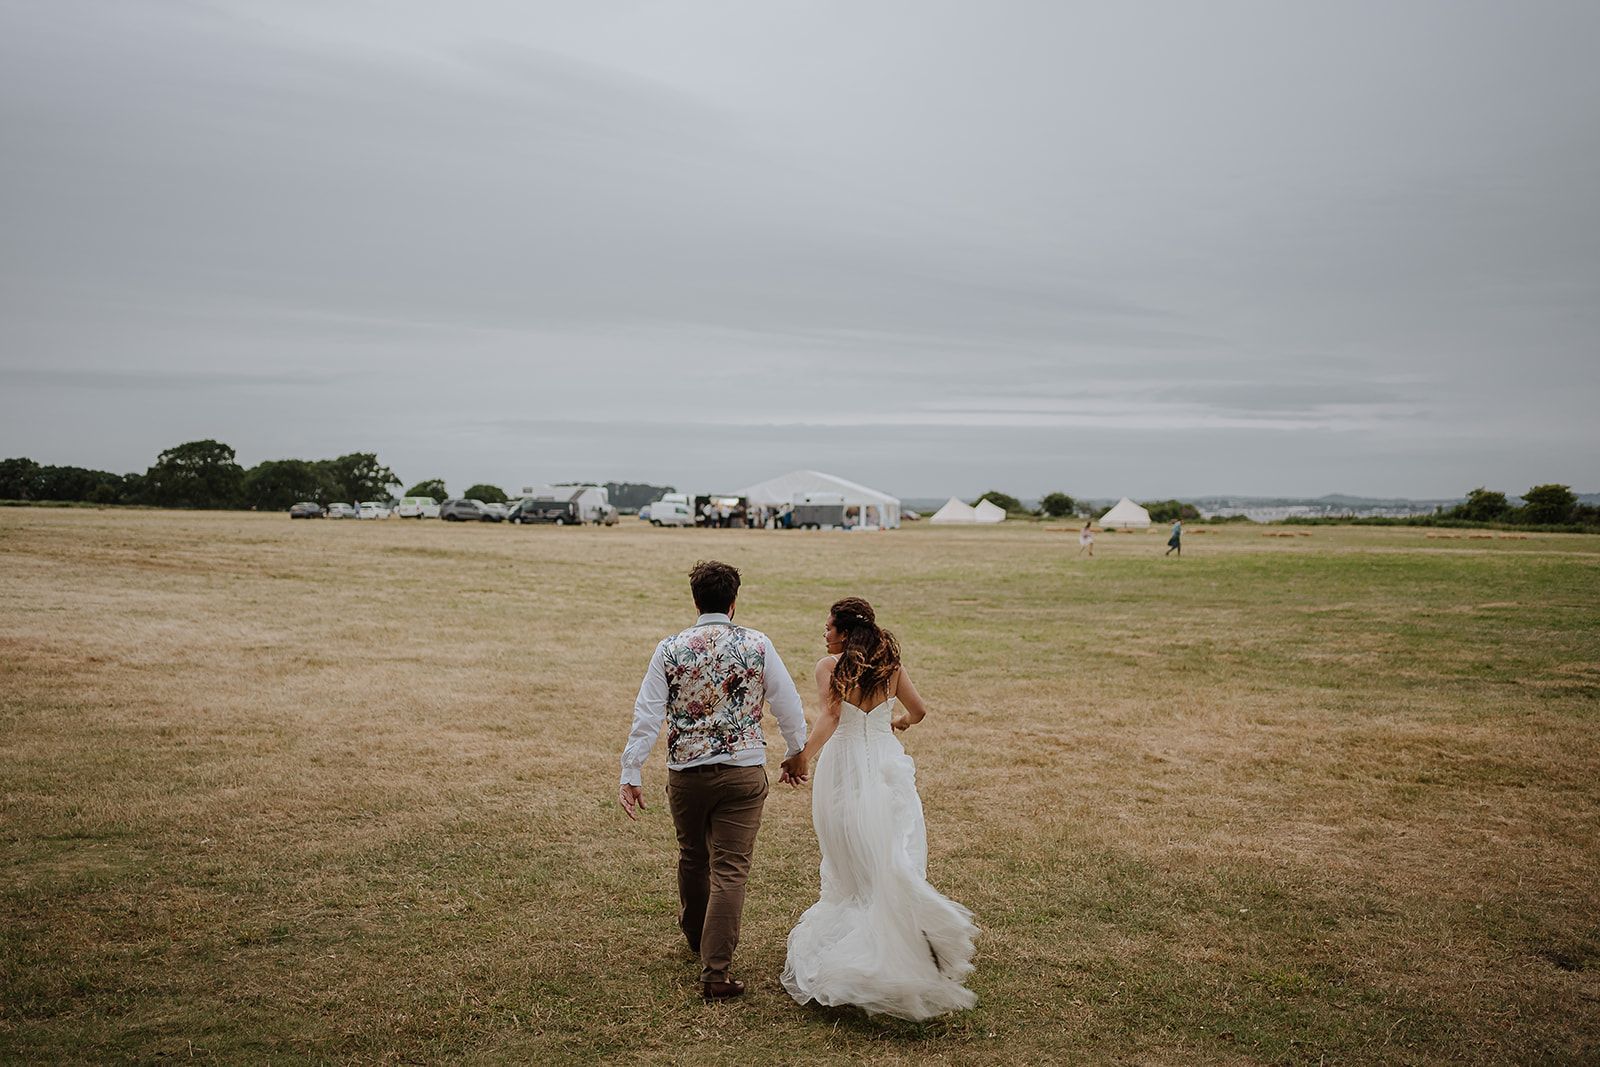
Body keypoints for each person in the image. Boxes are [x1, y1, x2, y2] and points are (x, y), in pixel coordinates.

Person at [618, 560, 808, 1001]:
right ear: (734, 602)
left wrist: (632, 772)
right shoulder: (758, 644)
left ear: (695, 601)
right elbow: (788, 703)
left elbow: (647, 715)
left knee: (692, 856)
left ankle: (696, 940)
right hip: (742, 770)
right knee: (730, 869)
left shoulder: (670, 648)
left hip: (686, 773)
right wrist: (795, 752)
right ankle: (715, 971)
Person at [780, 597, 977, 1020]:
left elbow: (831, 717)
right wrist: (898, 723)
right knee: (892, 853)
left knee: (850, 859)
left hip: (846, 768)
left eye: (829, 626)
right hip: (888, 768)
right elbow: (919, 711)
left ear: (847, 632)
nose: (824, 633)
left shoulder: (829, 668)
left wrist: (801, 758)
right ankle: (907, 932)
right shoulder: (890, 667)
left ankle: (868, 953)